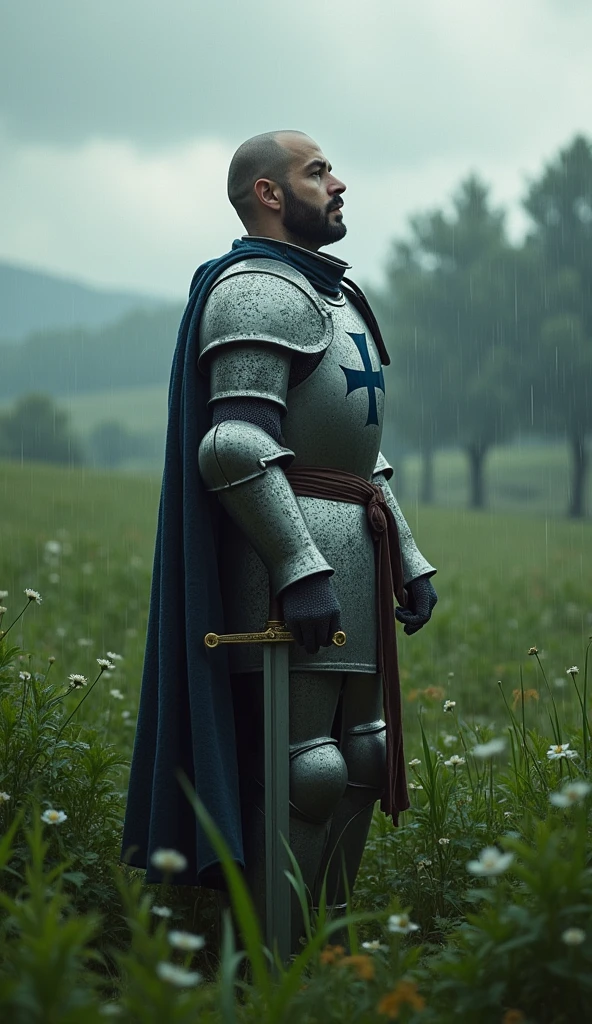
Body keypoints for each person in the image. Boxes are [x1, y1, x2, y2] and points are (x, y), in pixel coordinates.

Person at [121, 130, 437, 953]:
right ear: (268, 193)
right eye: (317, 171)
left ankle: (330, 954)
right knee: (306, 770)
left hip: (353, 547)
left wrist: (404, 553)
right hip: (288, 552)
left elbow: (359, 463)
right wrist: (297, 564)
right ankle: (275, 966)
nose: (338, 183)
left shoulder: (334, 296)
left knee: (363, 760)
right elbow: (235, 447)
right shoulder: (256, 290)